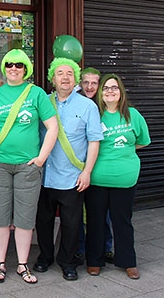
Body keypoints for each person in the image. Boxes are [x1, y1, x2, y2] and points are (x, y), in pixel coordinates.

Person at [0, 49, 58, 284]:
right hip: (0, 164)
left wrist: (41, 157)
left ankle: (23, 265)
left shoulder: (36, 94)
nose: (14, 68)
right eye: (10, 64)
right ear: (4, 68)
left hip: (28, 165)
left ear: (26, 70)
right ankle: (0, 264)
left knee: (25, 218)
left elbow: (52, 127)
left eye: (19, 65)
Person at [33, 58, 103, 281]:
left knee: (71, 223)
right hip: (44, 175)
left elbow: (94, 141)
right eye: (60, 73)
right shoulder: (42, 101)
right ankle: (45, 256)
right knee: (42, 220)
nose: (65, 77)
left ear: (76, 79)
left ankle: (67, 261)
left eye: (70, 74)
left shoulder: (88, 106)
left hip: (72, 176)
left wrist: (87, 172)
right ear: (52, 78)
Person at [85, 74, 150, 280]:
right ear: (101, 93)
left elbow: (142, 141)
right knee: (96, 221)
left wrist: (124, 152)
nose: (110, 91)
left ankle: (128, 261)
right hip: (97, 178)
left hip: (125, 178)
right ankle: (95, 260)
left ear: (121, 92)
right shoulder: (95, 114)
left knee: (122, 221)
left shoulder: (133, 115)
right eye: (106, 88)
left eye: (114, 88)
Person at [76, 67, 115, 265]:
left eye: (94, 83)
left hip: (101, 167)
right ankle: (81, 250)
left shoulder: (105, 106)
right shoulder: (75, 103)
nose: (90, 87)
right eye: (86, 82)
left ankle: (105, 248)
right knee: (79, 212)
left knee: (102, 211)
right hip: (77, 166)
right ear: (80, 84)